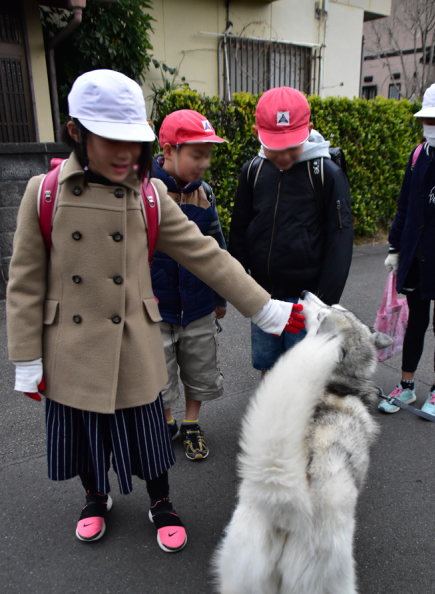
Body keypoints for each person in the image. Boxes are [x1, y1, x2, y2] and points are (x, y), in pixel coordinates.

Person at [6, 70, 305, 553]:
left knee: (148, 435)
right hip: (70, 344)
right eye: (112, 140)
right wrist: (26, 359)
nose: (126, 154)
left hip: (133, 342)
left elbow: (204, 252)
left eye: (135, 141)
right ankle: (94, 496)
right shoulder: (43, 193)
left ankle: (161, 501)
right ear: (76, 131)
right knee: (85, 435)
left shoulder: (148, 193)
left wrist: (265, 308)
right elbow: (24, 283)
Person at [228, 86, 353, 374]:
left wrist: (324, 301)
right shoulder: (254, 171)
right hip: (263, 295)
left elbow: (340, 238)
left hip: (305, 298)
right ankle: (272, 414)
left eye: (291, 146)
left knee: (301, 366)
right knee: (267, 363)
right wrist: (237, 284)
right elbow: (240, 227)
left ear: (308, 129)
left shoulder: (326, 172)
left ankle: (300, 417)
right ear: (258, 132)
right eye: (275, 146)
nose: (283, 155)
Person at [379, 78, 435, 418]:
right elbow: (405, 206)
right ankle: (407, 385)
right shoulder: (418, 155)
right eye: (431, 121)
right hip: (415, 255)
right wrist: (395, 247)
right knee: (415, 321)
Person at [150, 110, 227, 461]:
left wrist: (220, 296)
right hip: (156, 306)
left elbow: (216, 249)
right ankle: (166, 422)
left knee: (199, 366)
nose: (204, 163)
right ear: (168, 149)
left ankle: (191, 423)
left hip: (197, 305)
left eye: (208, 155)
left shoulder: (204, 194)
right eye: (197, 154)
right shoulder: (144, 192)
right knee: (159, 372)